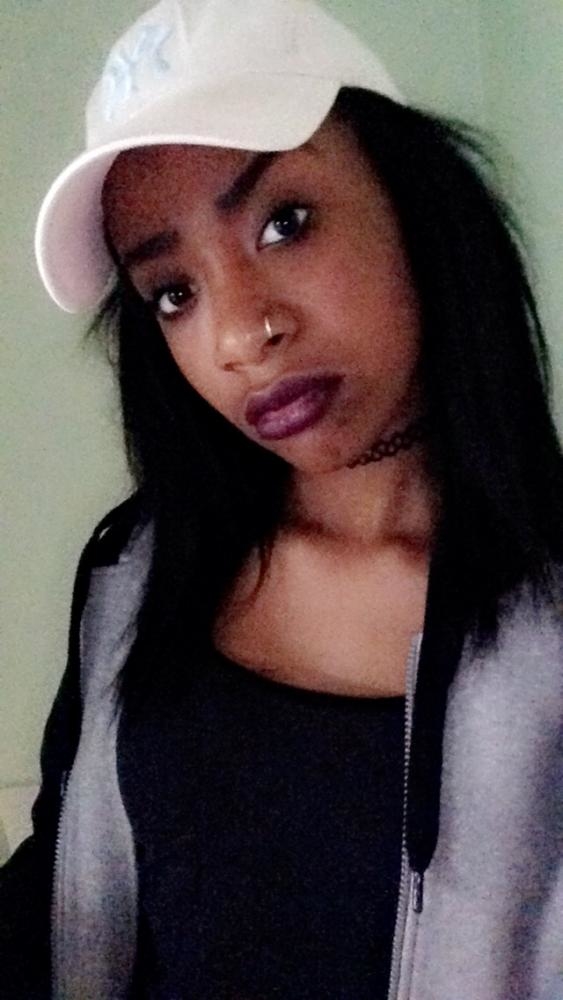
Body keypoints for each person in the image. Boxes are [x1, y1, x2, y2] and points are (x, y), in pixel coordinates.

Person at [2, 0, 563, 997]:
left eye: (284, 223)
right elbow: (59, 887)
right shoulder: (137, 573)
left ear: (411, 201)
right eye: (173, 291)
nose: (239, 334)